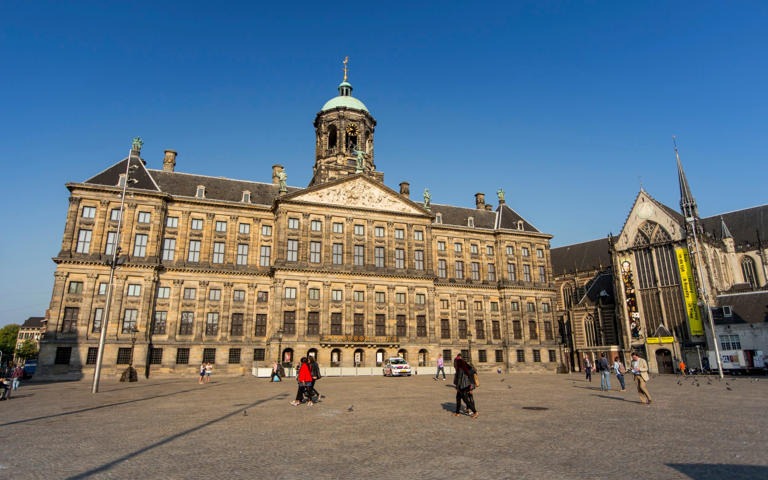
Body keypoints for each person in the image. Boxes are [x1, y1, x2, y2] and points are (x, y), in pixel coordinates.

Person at [452, 354, 478, 418]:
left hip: (463, 386)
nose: (454, 364)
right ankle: (457, 412)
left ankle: (475, 412)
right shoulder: (463, 367)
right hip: (465, 385)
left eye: (455, 363)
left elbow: (460, 379)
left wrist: (457, 387)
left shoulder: (460, 369)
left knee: (466, 400)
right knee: (458, 398)